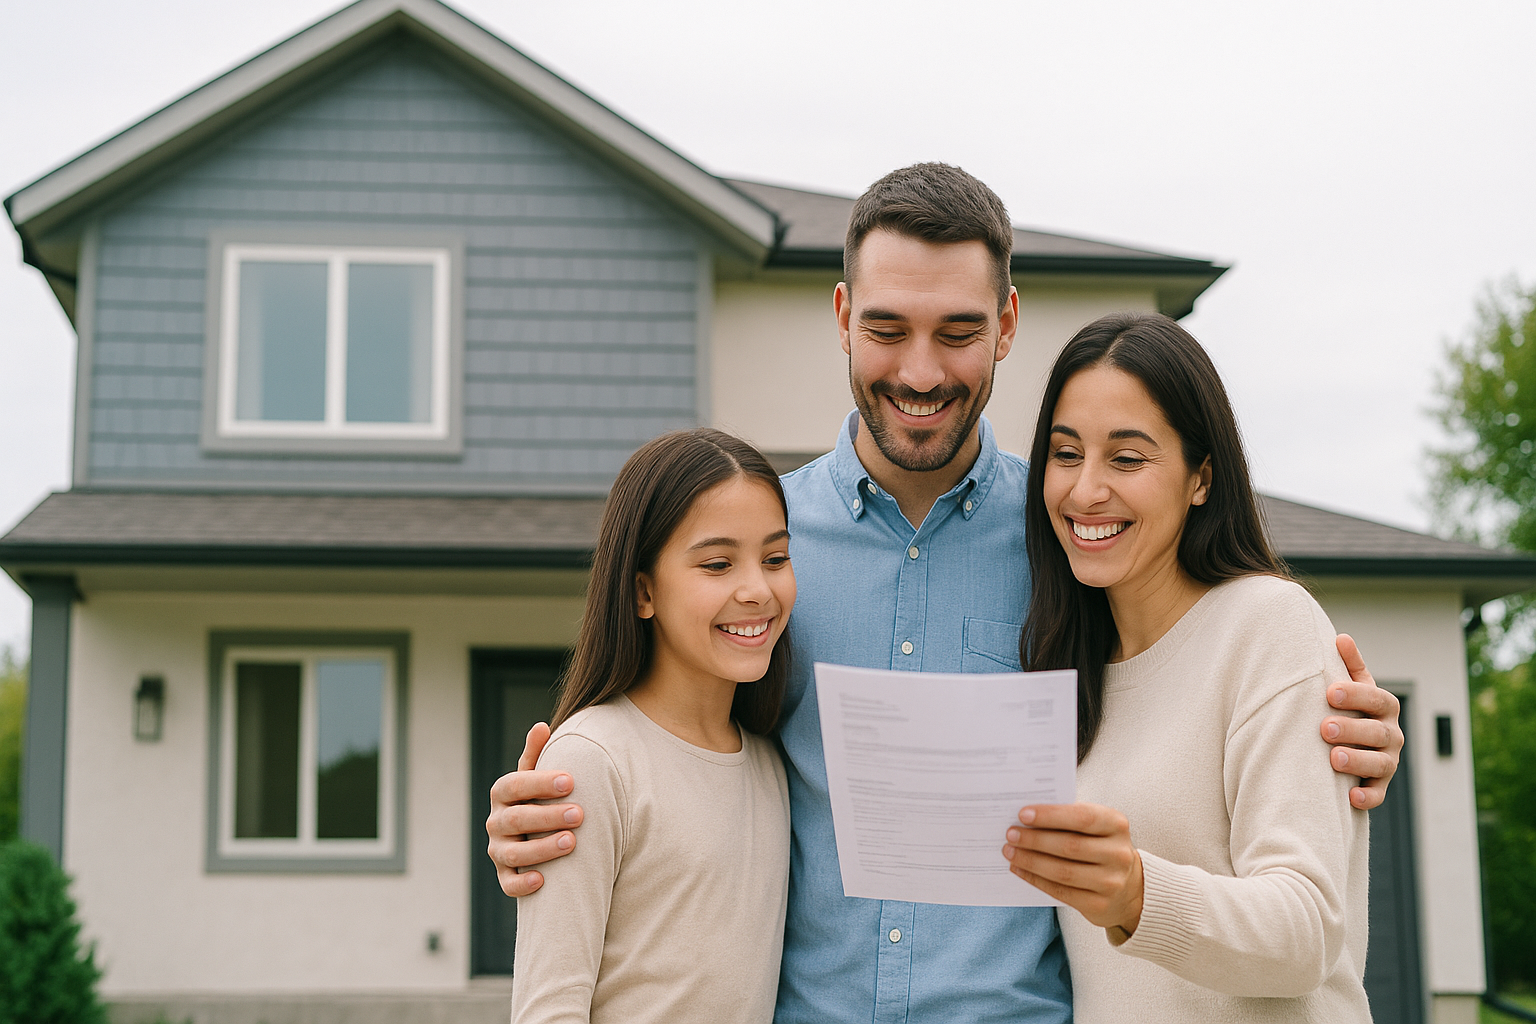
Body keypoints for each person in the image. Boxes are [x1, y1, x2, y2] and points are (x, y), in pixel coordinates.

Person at [487, 164, 1404, 1022]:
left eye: (958, 333)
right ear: (842, 315)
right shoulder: (764, 553)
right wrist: (562, 810)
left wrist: (1337, 729)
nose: (921, 372)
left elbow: (1188, 674)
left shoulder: (1076, 543)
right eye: (887, 330)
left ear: (1007, 325)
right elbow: (672, 738)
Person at [1001, 313, 1370, 1020]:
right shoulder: (1064, 666)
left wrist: (1138, 893)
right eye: (1066, 452)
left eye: (1128, 458)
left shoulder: (1269, 625)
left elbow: (1306, 932)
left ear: (1201, 478)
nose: (1085, 491)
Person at [509, 428, 795, 1024]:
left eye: (775, 558)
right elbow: (549, 1006)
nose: (757, 589)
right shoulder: (593, 758)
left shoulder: (771, 762)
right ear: (643, 591)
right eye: (717, 564)